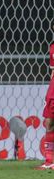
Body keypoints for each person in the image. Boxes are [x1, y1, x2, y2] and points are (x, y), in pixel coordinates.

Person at [36, 27, 54, 170]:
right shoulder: (53, 47)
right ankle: (49, 160)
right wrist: (49, 91)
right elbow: (53, 71)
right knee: (48, 122)